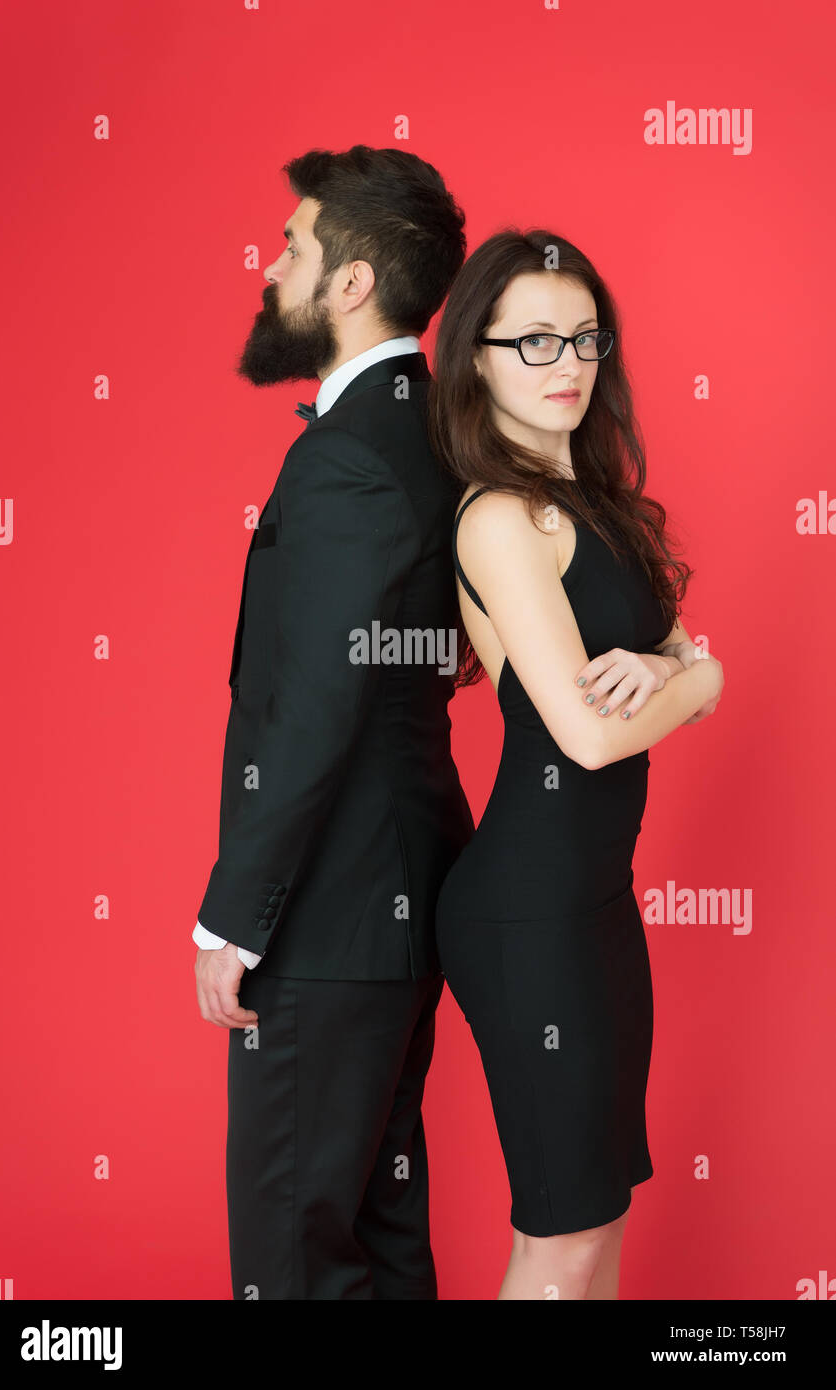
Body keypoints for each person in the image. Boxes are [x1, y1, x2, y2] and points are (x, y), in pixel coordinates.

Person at [192, 146, 474, 1299]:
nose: (272, 265)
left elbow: (314, 707)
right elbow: (428, 653)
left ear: (351, 283)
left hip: (329, 916)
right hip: (397, 903)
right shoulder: (435, 436)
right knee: (380, 1231)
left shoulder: (347, 458)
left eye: (295, 247)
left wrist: (233, 917)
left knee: (296, 1254)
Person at [429, 228, 724, 1300]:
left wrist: (673, 669)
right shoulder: (502, 519)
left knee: (599, 1221)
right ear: (475, 357)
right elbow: (594, 732)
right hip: (526, 913)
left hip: (596, 904)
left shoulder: (596, 505)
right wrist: (697, 682)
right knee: (560, 1235)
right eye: (535, 341)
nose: (568, 364)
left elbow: (675, 657)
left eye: (585, 339)